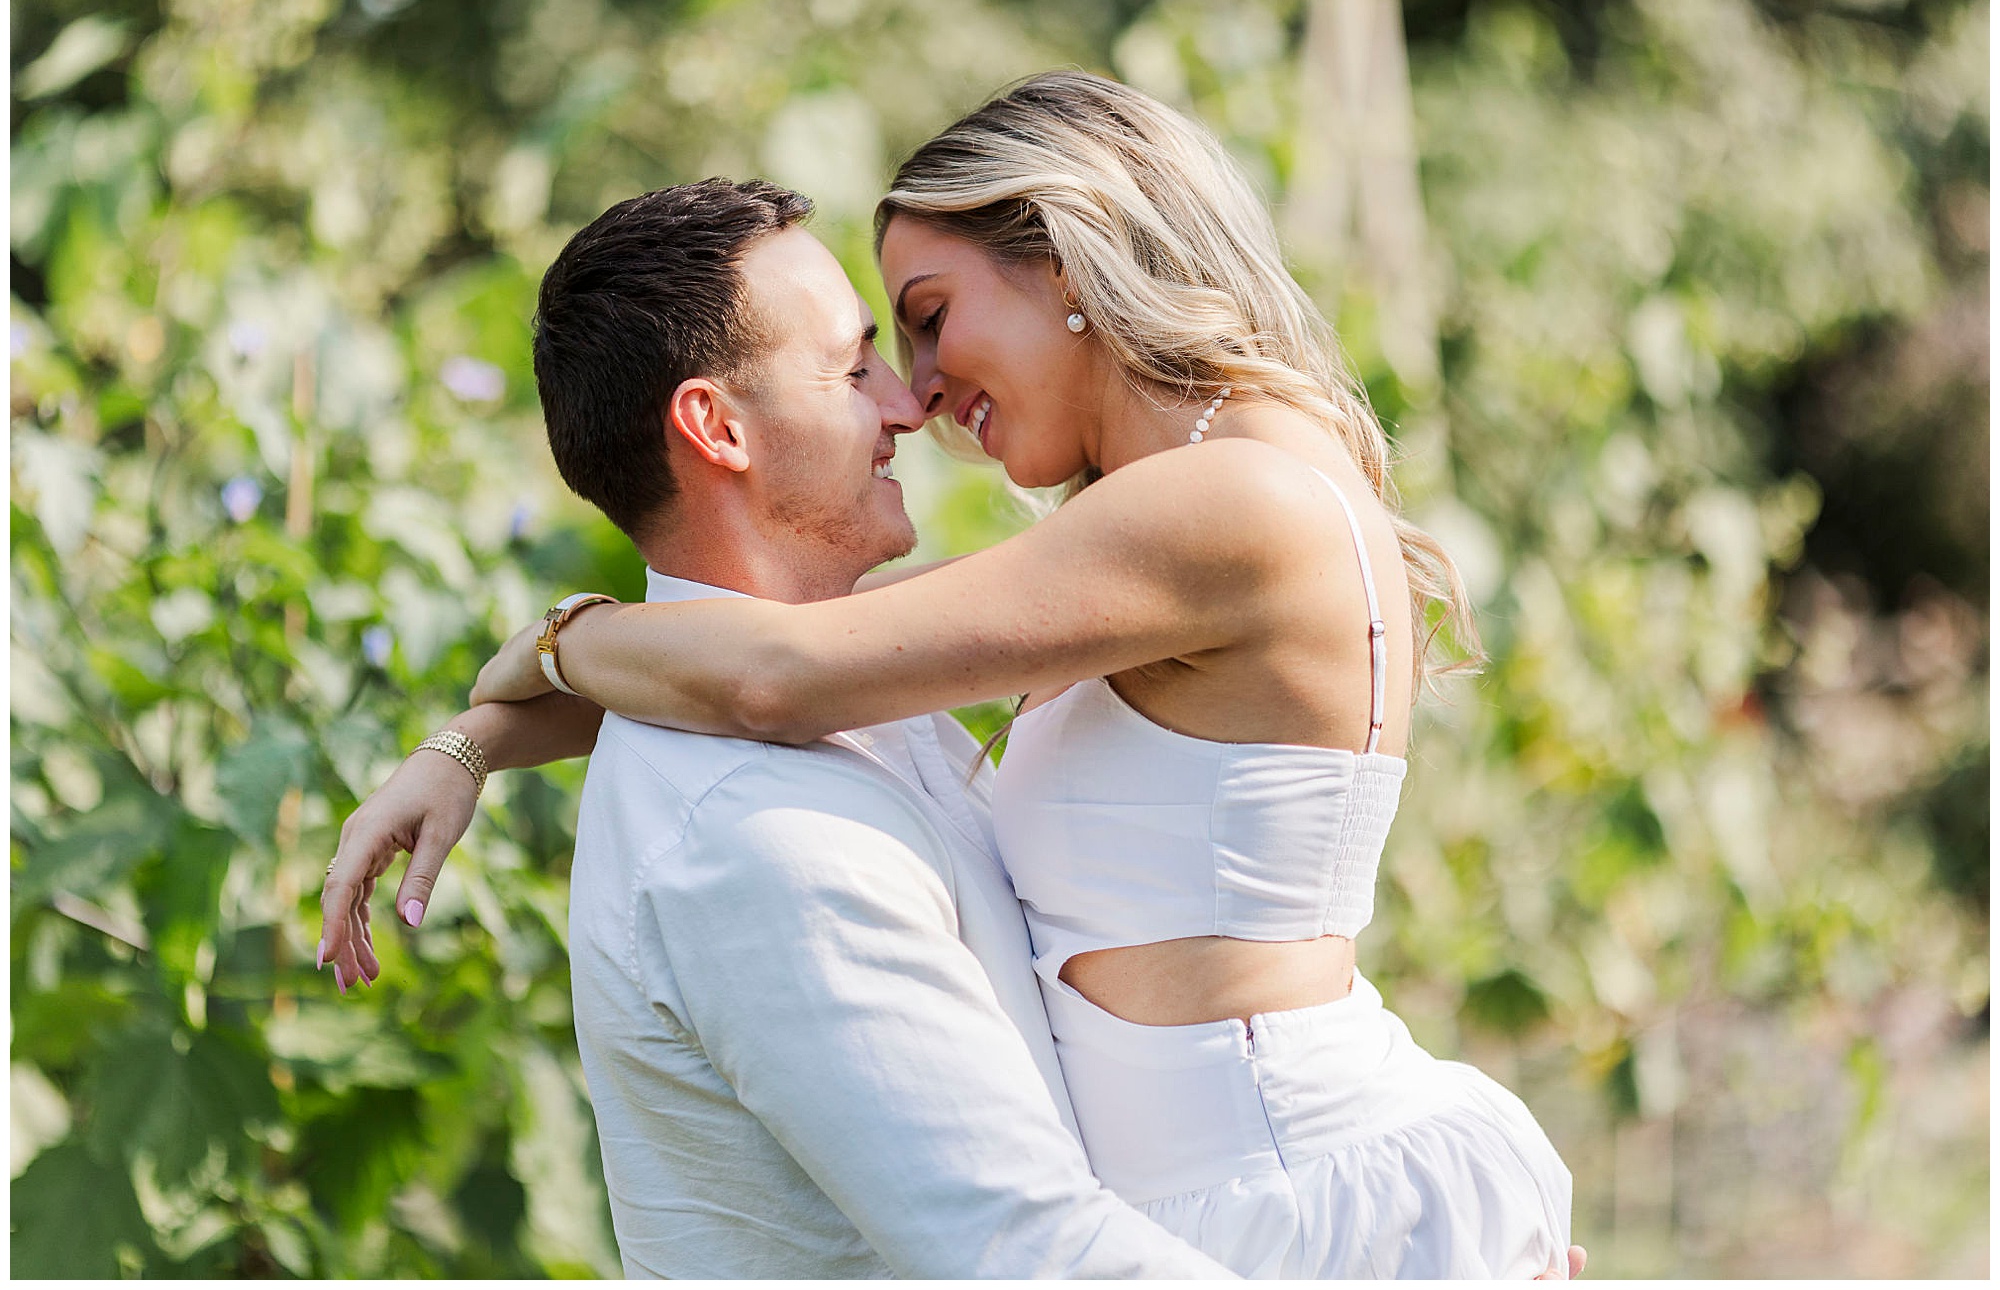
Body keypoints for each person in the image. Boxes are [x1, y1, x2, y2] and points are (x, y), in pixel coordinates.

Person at [459, 72, 1574, 1278]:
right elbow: (771, 646)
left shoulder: (1224, 502)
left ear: (1060, 259)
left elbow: (778, 669)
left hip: (1276, 1194)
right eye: (879, 351)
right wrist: (465, 742)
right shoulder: (1158, 515)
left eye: (929, 316)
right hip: (1224, 1190)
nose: (918, 388)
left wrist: (556, 638)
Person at [318, 178, 1236, 1278]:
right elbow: (1030, 1256)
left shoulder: (854, 678)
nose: (908, 404)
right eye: (853, 370)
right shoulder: (755, 839)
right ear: (716, 427)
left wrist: (484, 723)